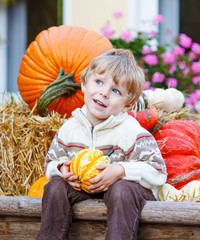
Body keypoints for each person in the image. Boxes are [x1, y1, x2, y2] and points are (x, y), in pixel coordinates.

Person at [36, 49, 167, 240]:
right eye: (98, 82)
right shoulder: (69, 128)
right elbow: (51, 161)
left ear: (128, 104)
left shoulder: (132, 131)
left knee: (121, 189)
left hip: (125, 197)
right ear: (84, 84)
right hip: (84, 189)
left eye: (116, 91)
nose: (104, 93)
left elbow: (158, 172)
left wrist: (121, 171)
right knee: (55, 187)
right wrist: (61, 169)